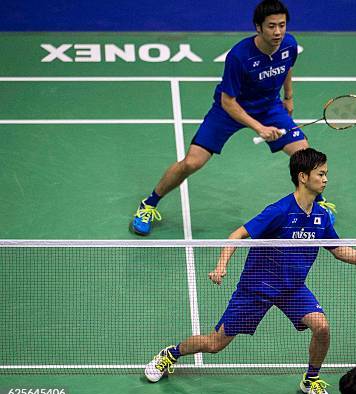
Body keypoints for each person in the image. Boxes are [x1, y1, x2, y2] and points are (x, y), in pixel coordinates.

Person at [144, 148, 356, 394]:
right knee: (214, 343)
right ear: (303, 177)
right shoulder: (279, 211)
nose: (326, 179)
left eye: (326, 174)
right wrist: (221, 265)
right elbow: (237, 234)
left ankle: (310, 379)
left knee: (322, 327)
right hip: (257, 288)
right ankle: (170, 354)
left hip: (292, 289)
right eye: (321, 174)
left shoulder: (320, 216)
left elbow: (339, 250)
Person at [130, 0, 334, 236]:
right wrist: (260, 128)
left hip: (269, 106)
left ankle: (317, 203)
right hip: (230, 110)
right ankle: (149, 204)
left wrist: (288, 97)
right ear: (258, 27)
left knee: (305, 156)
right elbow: (228, 102)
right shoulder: (240, 56)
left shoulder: (289, 45)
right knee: (191, 162)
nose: (278, 32)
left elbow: (287, 67)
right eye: (271, 26)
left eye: (282, 25)